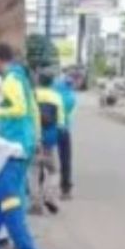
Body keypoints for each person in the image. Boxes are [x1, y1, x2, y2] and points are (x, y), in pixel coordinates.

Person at [0, 43, 40, 193]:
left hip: (16, 140)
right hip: (23, 139)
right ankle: (14, 215)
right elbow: (32, 109)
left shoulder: (11, 80)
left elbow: (20, 109)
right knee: (16, 186)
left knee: (12, 189)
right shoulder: (20, 77)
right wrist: (38, 137)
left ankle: (14, 216)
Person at [32, 72, 64, 216]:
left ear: (38, 81)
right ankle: (49, 196)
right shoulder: (57, 97)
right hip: (49, 141)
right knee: (53, 171)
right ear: (51, 83)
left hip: (33, 139)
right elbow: (61, 123)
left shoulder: (32, 95)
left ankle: (36, 204)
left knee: (34, 172)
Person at [53, 71, 77, 200]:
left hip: (48, 129)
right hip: (64, 129)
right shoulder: (71, 97)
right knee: (65, 160)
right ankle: (65, 189)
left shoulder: (52, 90)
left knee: (43, 159)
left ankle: (39, 189)